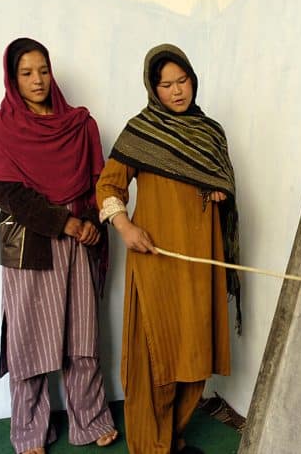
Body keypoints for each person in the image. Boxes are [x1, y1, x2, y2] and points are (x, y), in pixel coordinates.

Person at [96, 43, 240, 454]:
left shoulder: (211, 132)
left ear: (193, 80)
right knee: (156, 355)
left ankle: (172, 438)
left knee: (195, 351)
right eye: (166, 84)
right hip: (156, 257)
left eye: (183, 81)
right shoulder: (141, 131)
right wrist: (125, 227)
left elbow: (223, 185)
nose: (177, 91)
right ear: (152, 88)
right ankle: (150, 445)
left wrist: (218, 193)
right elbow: (108, 185)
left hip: (201, 258)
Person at [0, 38, 118, 454]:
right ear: (13, 78)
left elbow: (99, 181)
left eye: (43, 70)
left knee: (82, 336)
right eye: (26, 73)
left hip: (81, 242)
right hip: (31, 245)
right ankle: (30, 433)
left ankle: (90, 419)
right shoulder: (0, 128)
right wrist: (66, 223)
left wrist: (92, 223)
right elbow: (6, 193)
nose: (37, 80)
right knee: (29, 340)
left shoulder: (80, 124)